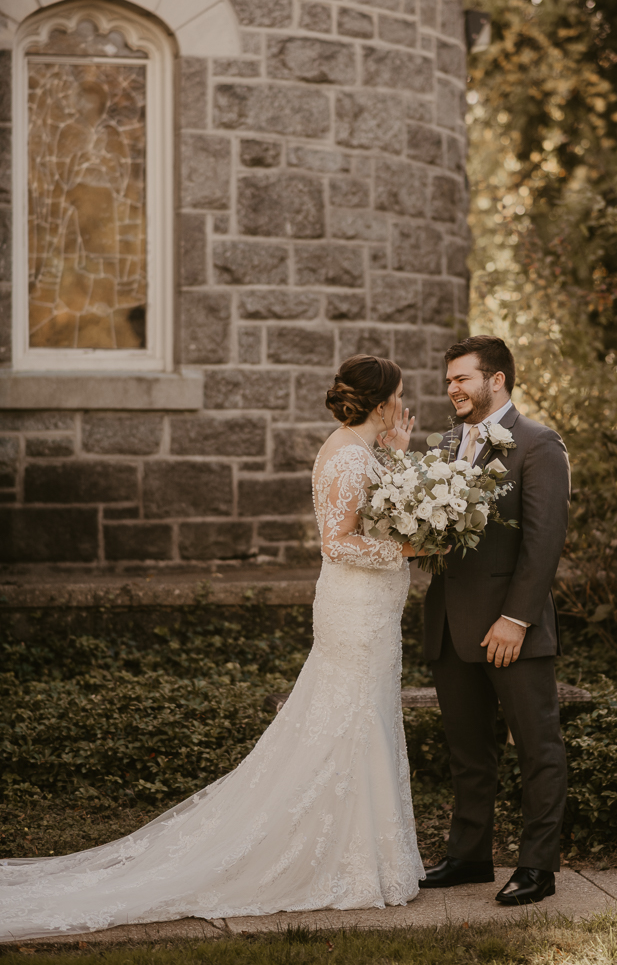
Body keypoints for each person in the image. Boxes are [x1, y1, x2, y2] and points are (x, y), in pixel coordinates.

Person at [0, 355, 425, 943]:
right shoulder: (351, 456)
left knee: (359, 718)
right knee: (349, 720)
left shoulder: (359, 448)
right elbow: (337, 541)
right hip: (356, 608)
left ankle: (362, 852)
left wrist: (399, 455)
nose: (404, 404)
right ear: (381, 403)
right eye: (399, 396)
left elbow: (380, 509)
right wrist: (402, 554)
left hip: (366, 611)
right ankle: (344, 862)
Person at [420, 335, 570, 906]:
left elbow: (544, 541)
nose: (451, 389)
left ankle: (538, 867)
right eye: (449, 380)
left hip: (511, 629)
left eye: (462, 379)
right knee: (468, 749)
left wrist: (516, 618)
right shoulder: (448, 444)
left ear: (497, 380)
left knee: (538, 746)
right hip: (450, 626)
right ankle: (469, 856)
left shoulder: (537, 444)